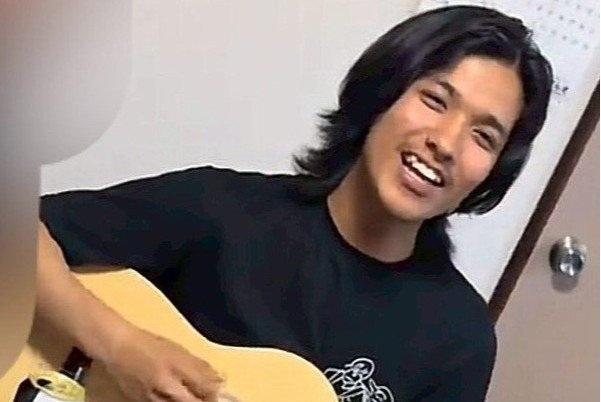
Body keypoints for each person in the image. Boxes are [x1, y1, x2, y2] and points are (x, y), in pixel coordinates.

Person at [35, 5, 553, 402]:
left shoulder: (458, 341)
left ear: (493, 171)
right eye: (435, 100)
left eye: (484, 136)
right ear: (381, 94)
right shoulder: (224, 211)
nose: (446, 142)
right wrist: (120, 346)